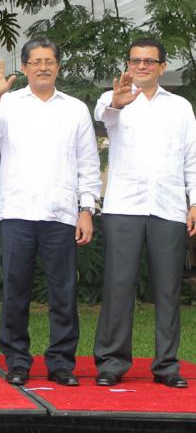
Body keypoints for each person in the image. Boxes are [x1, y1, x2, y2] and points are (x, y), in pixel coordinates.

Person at [0, 38, 101, 387]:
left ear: (58, 66)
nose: (43, 67)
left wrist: (86, 208)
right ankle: (17, 361)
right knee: (15, 290)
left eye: (49, 60)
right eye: (36, 61)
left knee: (63, 293)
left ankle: (61, 362)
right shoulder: (8, 104)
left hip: (61, 213)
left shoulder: (75, 109)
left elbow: (88, 163)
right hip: (18, 211)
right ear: (26, 66)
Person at [93, 39, 196, 389]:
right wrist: (117, 104)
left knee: (167, 290)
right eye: (136, 60)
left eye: (149, 61)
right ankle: (111, 362)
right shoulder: (113, 98)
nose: (142, 66)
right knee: (118, 286)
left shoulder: (180, 107)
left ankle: (167, 365)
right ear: (128, 63)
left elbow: (191, 158)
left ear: (162, 67)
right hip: (124, 206)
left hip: (168, 207)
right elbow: (102, 115)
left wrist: (194, 202)